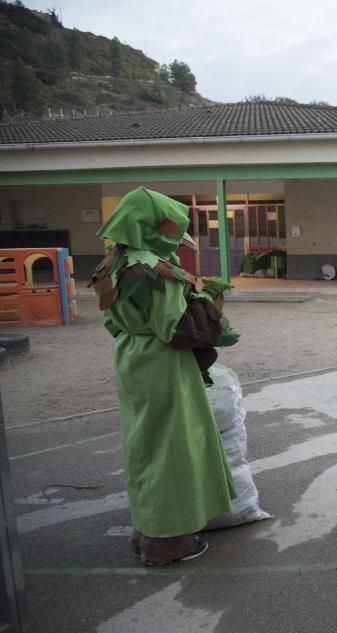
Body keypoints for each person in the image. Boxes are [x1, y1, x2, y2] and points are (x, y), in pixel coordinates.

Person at [90, 187, 236, 566]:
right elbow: (173, 328)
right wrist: (209, 309)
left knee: (144, 445)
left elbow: (111, 320)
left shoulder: (111, 265)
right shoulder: (157, 272)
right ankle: (167, 540)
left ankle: (147, 530)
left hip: (131, 359)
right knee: (172, 450)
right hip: (164, 365)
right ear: (155, 227)